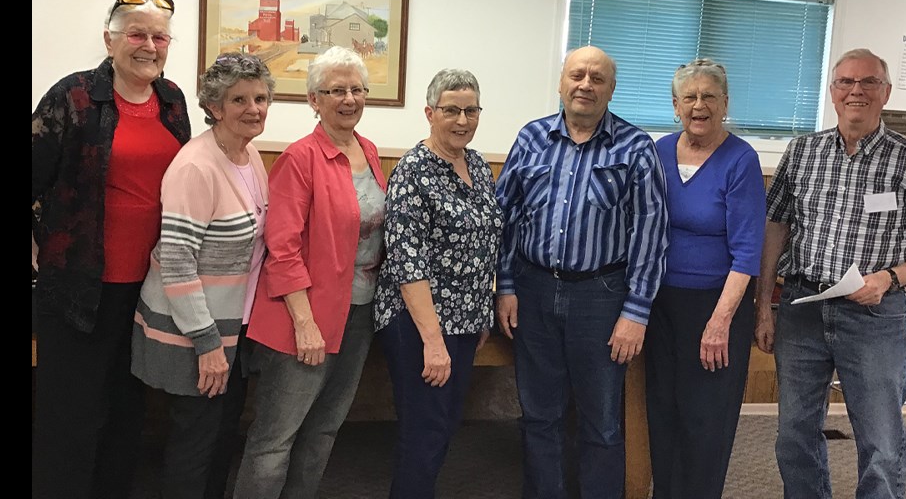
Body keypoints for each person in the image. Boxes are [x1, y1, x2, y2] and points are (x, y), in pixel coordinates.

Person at [32, 0, 191, 499]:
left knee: (128, 411)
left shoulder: (173, 100)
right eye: (136, 33)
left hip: (147, 290)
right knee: (71, 415)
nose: (149, 45)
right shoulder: (73, 96)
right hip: (78, 287)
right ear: (110, 39)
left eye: (159, 36)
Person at [496, 45, 670, 499]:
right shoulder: (531, 138)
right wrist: (506, 284)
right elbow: (504, 215)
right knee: (539, 414)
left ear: (611, 89)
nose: (585, 85)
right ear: (561, 82)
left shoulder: (635, 148)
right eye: (577, 75)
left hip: (602, 296)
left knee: (601, 420)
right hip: (531, 290)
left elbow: (650, 233)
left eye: (597, 78)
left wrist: (636, 311)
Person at [754, 48, 906, 499]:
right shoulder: (802, 152)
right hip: (801, 309)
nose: (857, 91)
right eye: (846, 82)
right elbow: (776, 227)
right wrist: (764, 306)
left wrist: (890, 277)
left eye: (868, 82)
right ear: (832, 92)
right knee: (794, 432)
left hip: (873, 316)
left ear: (885, 93)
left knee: (881, 439)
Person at [232, 46, 388, 499]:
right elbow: (280, 248)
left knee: (323, 431)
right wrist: (305, 324)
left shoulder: (370, 151)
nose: (349, 98)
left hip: (358, 312)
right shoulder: (300, 158)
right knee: (274, 440)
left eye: (357, 89)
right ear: (314, 100)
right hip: (303, 316)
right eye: (336, 90)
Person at [130, 52, 274, 499]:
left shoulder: (250, 155)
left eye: (261, 98)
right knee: (194, 446)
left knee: (219, 442)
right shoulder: (195, 166)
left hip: (233, 328)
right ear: (214, 106)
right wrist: (207, 342)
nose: (254, 109)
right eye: (239, 100)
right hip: (193, 331)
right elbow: (176, 260)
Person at [374, 68, 504, 498]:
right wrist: (433, 341)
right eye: (451, 110)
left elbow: (486, 244)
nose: (462, 120)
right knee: (426, 429)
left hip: (464, 322)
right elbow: (407, 262)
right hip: (418, 324)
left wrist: (480, 312)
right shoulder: (413, 172)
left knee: (445, 424)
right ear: (430, 113)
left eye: (471, 110)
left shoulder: (479, 166)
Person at [645, 58, 766, 498]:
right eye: (690, 97)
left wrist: (719, 323)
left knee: (705, 422)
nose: (699, 105)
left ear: (725, 103)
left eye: (709, 96)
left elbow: (748, 251)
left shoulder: (740, 160)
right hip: (660, 306)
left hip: (717, 305)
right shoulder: (657, 152)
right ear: (675, 105)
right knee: (663, 413)